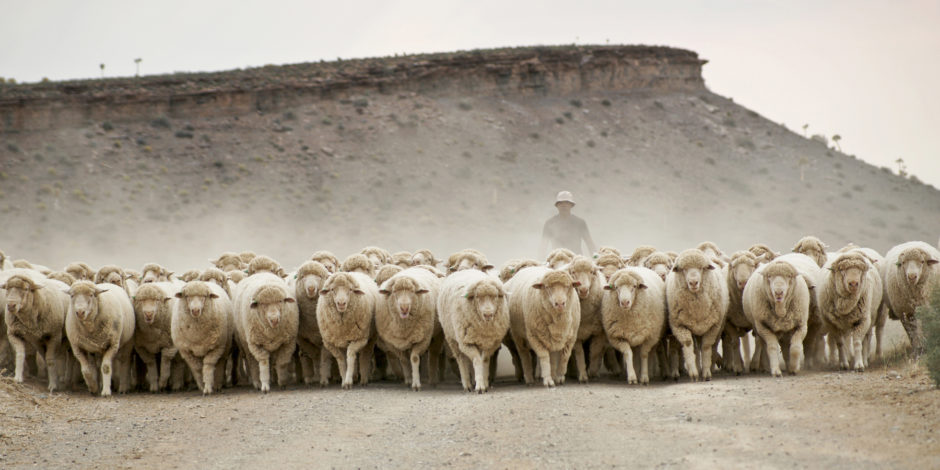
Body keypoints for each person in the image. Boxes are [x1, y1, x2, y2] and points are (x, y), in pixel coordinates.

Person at [538, 190, 598, 259]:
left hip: (576, 262)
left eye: (567, 202)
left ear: (571, 205)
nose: (564, 205)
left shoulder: (580, 222)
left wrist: (596, 259)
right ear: (557, 205)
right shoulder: (550, 223)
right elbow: (543, 246)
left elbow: (589, 243)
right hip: (557, 261)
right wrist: (540, 261)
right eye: (561, 203)